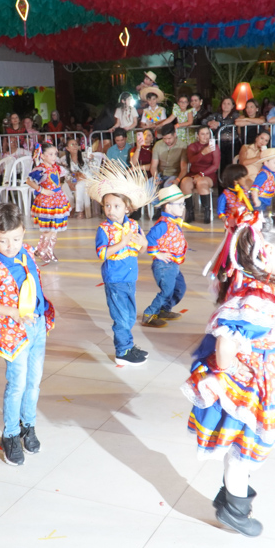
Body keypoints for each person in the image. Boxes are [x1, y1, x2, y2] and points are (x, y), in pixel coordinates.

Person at [182, 212, 275, 537]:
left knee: (244, 445)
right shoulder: (254, 301)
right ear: (267, 252)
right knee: (242, 451)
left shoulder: (258, 284)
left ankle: (232, 494)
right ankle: (234, 509)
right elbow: (225, 344)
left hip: (262, 379)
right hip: (252, 386)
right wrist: (234, 372)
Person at [0, 202, 56, 466]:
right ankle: (10, 434)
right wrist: (11, 312)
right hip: (14, 333)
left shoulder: (26, 252)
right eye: (3, 240)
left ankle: (27, 426)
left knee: (34, 383)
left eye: (16, 238)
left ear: (23, 232)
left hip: (38, 326)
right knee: (17, 385)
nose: (11, 246)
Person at [89, 160, 153, 367]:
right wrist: (122, 243)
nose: (111, 210)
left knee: (130, 315)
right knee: (122, 317)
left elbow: (140, 250)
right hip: (115, 279)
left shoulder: (133, 225)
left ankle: (128, 345)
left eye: (116, 206)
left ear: (127, 208)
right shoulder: (104, 229)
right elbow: (102, 253)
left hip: (130, 277)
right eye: (107, 205)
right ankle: (122, 351)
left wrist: (144, 244)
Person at [142, 186, 188, 328]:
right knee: (167, 291)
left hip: (173, 264)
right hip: (164, 266)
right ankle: (149, 314)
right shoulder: (163, 224)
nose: (183, 207)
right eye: (180, 204)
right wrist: (157, 253)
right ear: (168, 207)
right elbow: (150, 238)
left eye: (183, 204)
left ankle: (164, 310)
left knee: (180, 288)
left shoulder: (173, 221)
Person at [27, 143, 70, 263]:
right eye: (50, 154)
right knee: (48, 229)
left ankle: (49, 250)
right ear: (42, 156)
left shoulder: (56, 167)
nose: (54, 157)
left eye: (55, 154)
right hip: (47, 201)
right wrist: (42, 190)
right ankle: (41, 250)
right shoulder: (40, 169)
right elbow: (29, 181)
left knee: (54, 228)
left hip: (57, 199)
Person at [181, 125, 220, 224]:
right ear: (197, 135)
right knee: (185, 182)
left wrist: (202, 174)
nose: (205, 136)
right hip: (193, 173)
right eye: (202, 134)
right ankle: (190, 212)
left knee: (201, 182)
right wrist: (202, 153)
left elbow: (215, 165)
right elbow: (192, 161)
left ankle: (207, 211)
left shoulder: (214, 147)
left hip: (208, 174)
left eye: (207, 134)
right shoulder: (192, 147)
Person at [207, 97, 241, 176]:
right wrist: (210, 123)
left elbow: (232, 122)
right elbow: (204, 121)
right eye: (224, 103)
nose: (226, 105)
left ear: (232, 106)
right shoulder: (216, 115)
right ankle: (220, 181)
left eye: (228, 104)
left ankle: (231, 182)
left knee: (230, 163)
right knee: (220, 163)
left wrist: (219, 124)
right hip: (219, 143)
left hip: (232, 144)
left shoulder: (235, 115)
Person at [62, 137, 94, 218]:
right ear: (67, 148)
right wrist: (71, 181)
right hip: (73, 179)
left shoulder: (85, 156)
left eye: (76, 144)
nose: (75, 146)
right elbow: (66, 174)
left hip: (85, 179)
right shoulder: (64, 160)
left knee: (79, 185)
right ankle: (71, 207)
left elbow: (91, 171)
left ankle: (80, 211)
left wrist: (91, 159)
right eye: (72, 145)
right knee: (64, 186)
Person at [249, 148, 275, 214]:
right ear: (266, 162)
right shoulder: (263, 174)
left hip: (266, 201)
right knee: (259, 216)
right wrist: (256, 199)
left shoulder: (273, 174)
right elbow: (255, 188)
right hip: (260, 200)